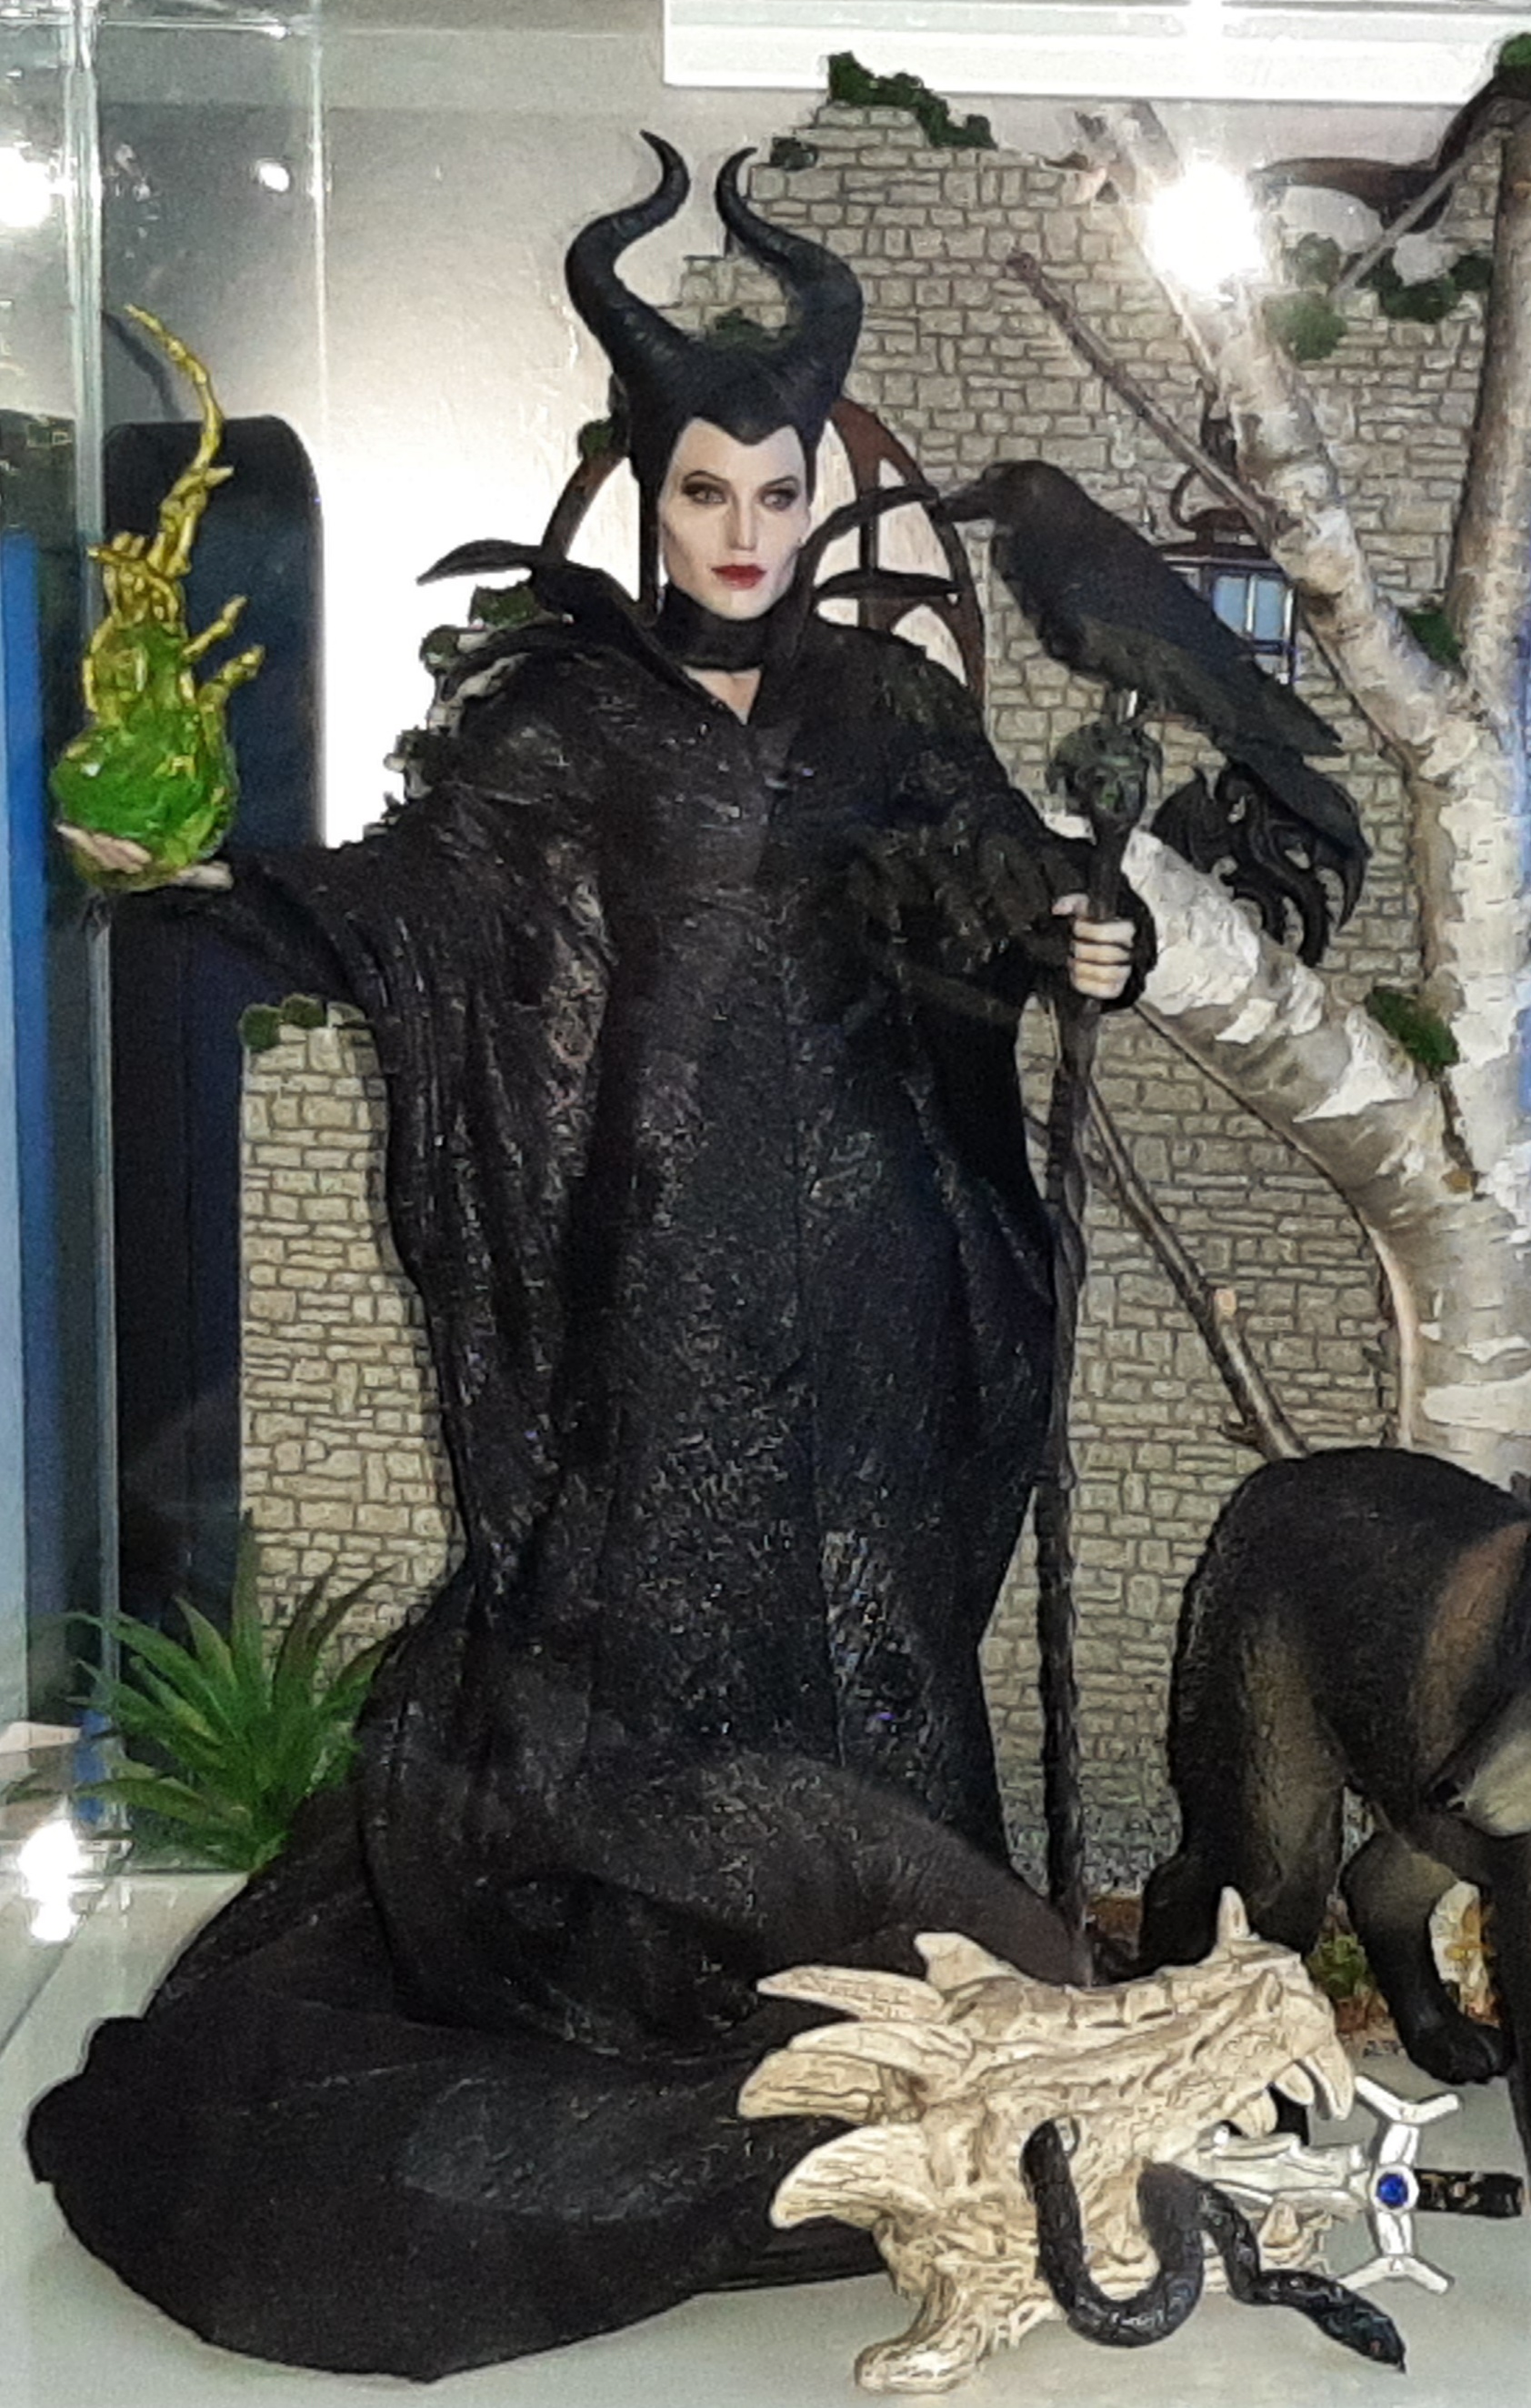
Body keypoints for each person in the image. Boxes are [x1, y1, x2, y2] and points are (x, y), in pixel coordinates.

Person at [31, 138, 1147, 2377]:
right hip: (668, 1263)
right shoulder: (563, 719)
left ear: (819, 492)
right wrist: (207, 885)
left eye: (776, 492)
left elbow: (1001, 877)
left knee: (881, 1620)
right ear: (653, 491)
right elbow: (416, 896)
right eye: (705, 491)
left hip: (889, 1255)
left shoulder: (888, 710)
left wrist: (1088, 930)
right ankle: (680, 1984)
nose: (741, 530)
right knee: (658, 1605)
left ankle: (914, 1988)